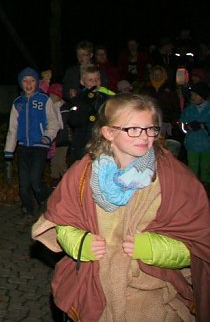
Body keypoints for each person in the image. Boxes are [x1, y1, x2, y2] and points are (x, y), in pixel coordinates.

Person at [32, 93, 210, 321]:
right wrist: (80, 244)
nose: (145, 137)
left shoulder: (174, 178)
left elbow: (198, 244)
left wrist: (154, 248)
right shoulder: (83, 173)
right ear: (108, 133)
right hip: (96, 296)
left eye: (150, 129)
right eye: (133, 129)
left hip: (153, 300)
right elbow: (61, 223)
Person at [3, 67, 61, 216]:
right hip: (23, 147)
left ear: (37, 82)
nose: (28, 84)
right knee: (23, 185)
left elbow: (54, 122)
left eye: (32, 80)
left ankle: (45, 200)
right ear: (20, 83)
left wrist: (47, 136)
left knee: (35, 180)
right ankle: (31, 210)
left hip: (39, 146)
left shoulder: (44, 100)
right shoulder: (17, 103)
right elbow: (13, 128)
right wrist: (9, 150)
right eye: (25, 81)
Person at [65, 65, 114, 166]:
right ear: (83, 82)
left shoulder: (108, 97)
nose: (95, 82)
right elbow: (73, 121)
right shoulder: (78, 99)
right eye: (90, 80)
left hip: (103, 141)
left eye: (97, 79)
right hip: (83, 141)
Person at [179, 81, 210, 196]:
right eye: (192, 95)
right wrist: (188, 126)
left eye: (195, 95)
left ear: (202, 96)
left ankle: (205, 184)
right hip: (192, 144)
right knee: (193, 165)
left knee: (206, 166)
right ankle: (193, 184)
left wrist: (204, 126)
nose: (192, 97)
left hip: (207, 145)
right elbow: (182, 125)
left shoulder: (208, 109)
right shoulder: (189, 109)